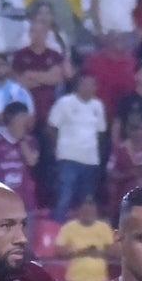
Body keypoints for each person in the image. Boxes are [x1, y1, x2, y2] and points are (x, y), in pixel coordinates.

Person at [48, 75, 107, 220]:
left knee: (86, 200)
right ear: (77, 86)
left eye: (92, 85)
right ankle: (57, 231)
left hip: (90, 160)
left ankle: (84, 236)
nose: (89, 88)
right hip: (68, 157)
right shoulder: (64, 103)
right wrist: (57, 148)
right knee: (64, 198)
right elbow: (51, 127)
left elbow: (100, 132)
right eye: (85, 84)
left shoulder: (98, 106)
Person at [54, 196, 114, 281]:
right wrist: (79, 252)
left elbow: (114, 252)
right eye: (85, 211)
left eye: (91, 211)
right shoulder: (68, 227)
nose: (88, 213)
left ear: (96, 211)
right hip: (74, 280)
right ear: (79, 211)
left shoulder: (104, 227)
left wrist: (97, 252)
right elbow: (59, 251)